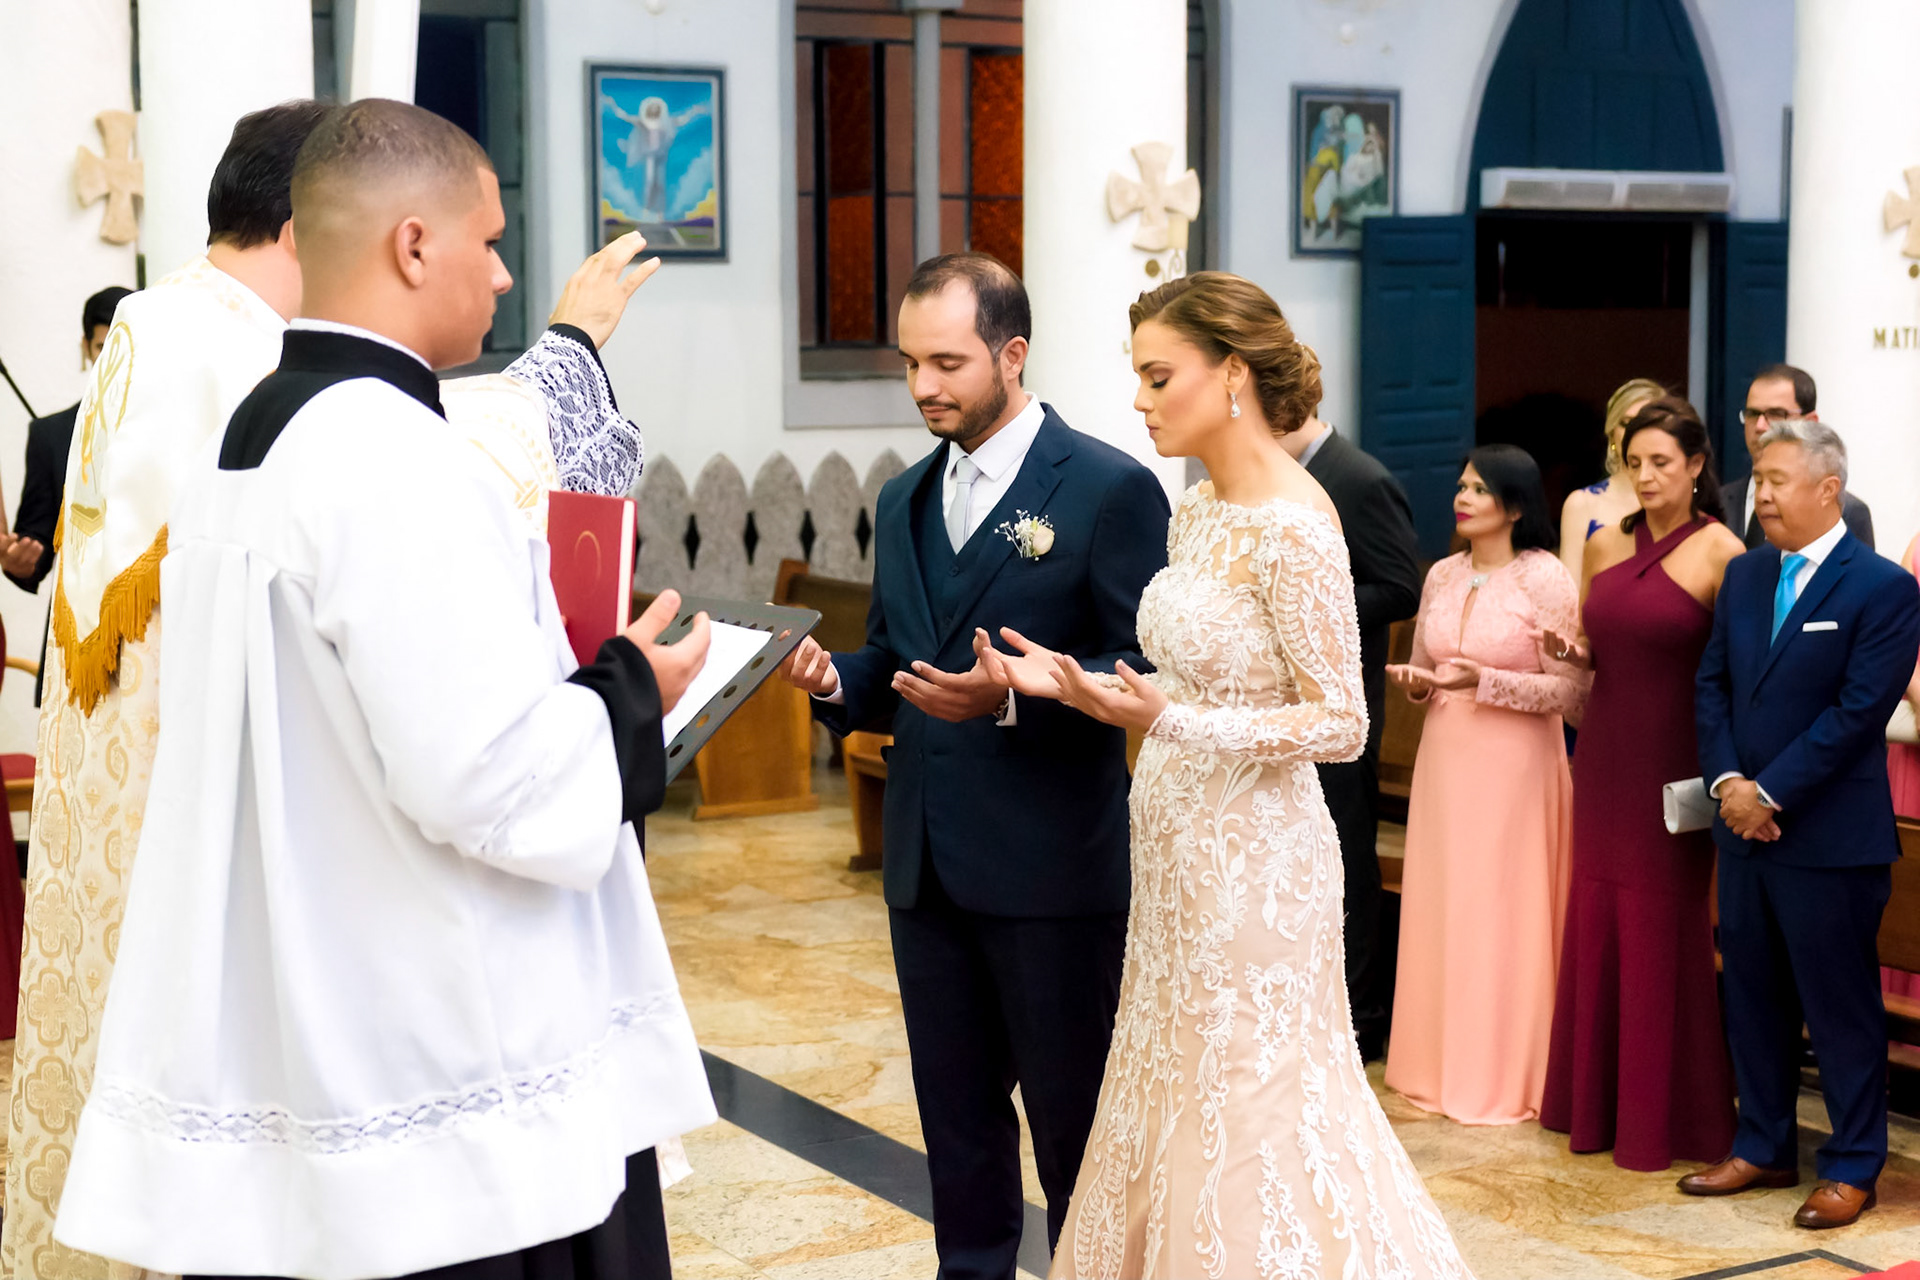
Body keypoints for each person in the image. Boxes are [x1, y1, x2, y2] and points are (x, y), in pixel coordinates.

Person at [53, 97, 717, 1280]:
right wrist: (634, 688)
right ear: (414, 245)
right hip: (439, 1058)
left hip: (325, 1008)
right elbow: (488, 779)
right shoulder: (395, 457)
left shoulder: (251, 441)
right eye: (491, 241)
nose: (505, 275)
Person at [979, 272, 1473, 1279]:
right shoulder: (1198, 511)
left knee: (1249, 1093)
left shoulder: (1299, 524)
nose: (1140, 400)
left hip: (1260, 867)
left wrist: (1172, 718)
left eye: (1159, 377)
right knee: (1170, 1072)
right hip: (1175, 845)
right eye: (1139, 377)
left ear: (1233, 373)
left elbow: (1339, 721)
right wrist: (1077, 684)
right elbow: (1197, 676)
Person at [775, 252, 1170, 1280]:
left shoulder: (1107, 489)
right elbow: (896, 654)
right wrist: (834, 677)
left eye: (947, 362)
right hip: (926, 864)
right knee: (955, 1124)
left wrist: (1016, 691)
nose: (923, 386)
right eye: (910, 363)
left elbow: (1144, 665)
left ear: (1012, 353)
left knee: (1077, 1126)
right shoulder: (905, 495)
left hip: (1052, 868)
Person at [1686, 418, 1920, 1229]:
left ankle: (1852, 1165)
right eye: (1758, 478)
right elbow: (1713, 686)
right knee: (1752, 995)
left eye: (1778, 479)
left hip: (1828, 839)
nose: (1762, 494)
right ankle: (1763, 1145)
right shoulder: (1746, 574)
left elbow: (1858, 713)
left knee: (1839, 1007)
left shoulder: (1882, 587)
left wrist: (1770, 794)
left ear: (1829, 489)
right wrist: (1728, 785)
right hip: (1742, 828)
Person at [1538, 397, 1744, 1170]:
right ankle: (1592, 1105)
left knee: (1663, 921)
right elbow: (1598, 645)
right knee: (1598, 912)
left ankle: (1669, 1120)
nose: (1647, 475)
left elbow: (1736, 670)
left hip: (1678, 759)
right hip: (1605, 756)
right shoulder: (1603, 544)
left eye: (1662, 461)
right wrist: (1574, 651)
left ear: (1696, 465)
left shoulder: (1724, 551)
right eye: (1635, 462)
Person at [1384, 444, 1586, 1126]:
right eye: (1461, 486)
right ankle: (1434, 1065)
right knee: (1447, 903)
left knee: (1502, 908)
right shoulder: (1442, 574)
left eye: (1478, 489)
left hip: (1516, 766)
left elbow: (1575, 694)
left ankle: (1506, 1073)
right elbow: (1426, 664)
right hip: (1447, 759)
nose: (1461, 499)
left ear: (1516, 505)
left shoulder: (1545, 578)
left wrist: (1489, 682)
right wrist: (1418, 685)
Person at [1280, 412, 1420, 1060]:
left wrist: (1303, 609)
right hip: (1285, 707)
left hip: (1342, 702)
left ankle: (1360, 1017)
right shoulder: (1280, 476)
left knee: (1344, 859)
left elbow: (1399, 586)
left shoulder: (1360, 478)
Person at [2, 286, 133, 704]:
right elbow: (36, 543)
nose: (112, 360)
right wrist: (20, 559)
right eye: (102, 348)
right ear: (85, 348)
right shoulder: (51, 434)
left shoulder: (177, 428)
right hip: (78, 637)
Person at [1719, 364, 1873, 550]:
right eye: (1752, 414)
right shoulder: (1718, 501)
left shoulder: (1847, 511)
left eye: (1776, 414)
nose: (1760, 426)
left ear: (1810, 422)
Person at [1556, 377, 1666, 583]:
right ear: (1612, 432)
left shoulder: (1681, 500)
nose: (1634, 432)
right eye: (1626, 423)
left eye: (1647, 423)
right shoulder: (1581, 503)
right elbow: (1570, 593)